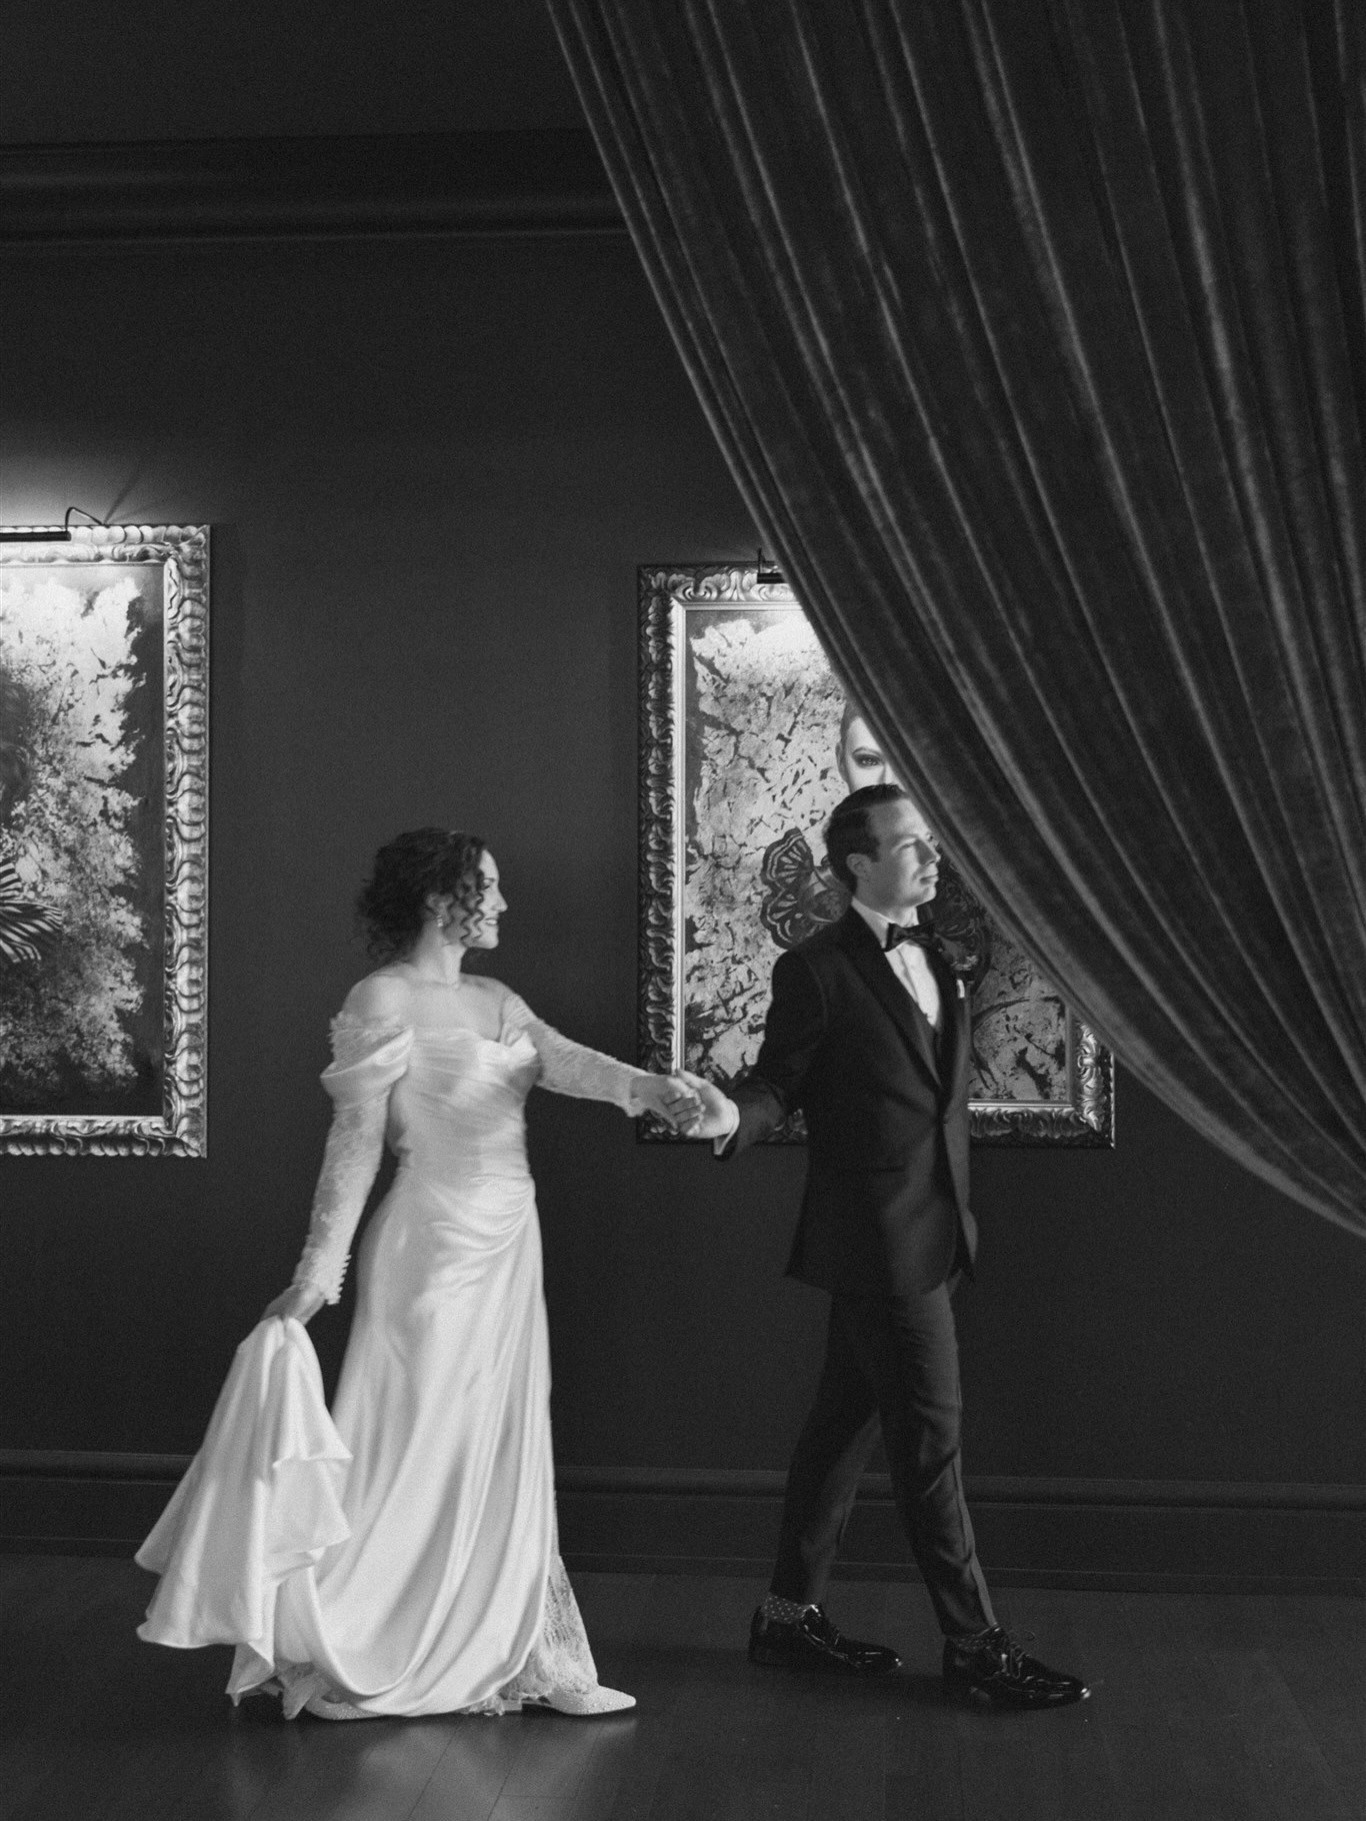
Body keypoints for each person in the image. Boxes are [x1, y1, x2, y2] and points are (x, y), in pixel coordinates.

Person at [137, 826, 699, 1720]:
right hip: (429, 1245)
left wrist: (654, 1089)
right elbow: (355, 1142)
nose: (504, 903)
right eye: (489, 885)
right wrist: (318, 1273)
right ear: (441, 899)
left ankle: (526, 1653)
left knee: (502, 1443)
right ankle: (355, 1645)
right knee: (412, 1444)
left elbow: (565, 1062)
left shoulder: (496, 998)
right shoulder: (383, 995)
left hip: (510, 1243)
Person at [684, 784, 1088, 1709]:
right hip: (879, 1245)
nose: (933, 856)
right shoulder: (815, 970)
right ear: (858, 863)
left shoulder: (937, 955)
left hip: (936, 1235)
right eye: (912, 844)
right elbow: (779, 1084)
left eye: (931, 841)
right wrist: (728, 1116)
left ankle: (786, 1618)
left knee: (840, 1428)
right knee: (931, 1445)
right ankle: (977, 1647)